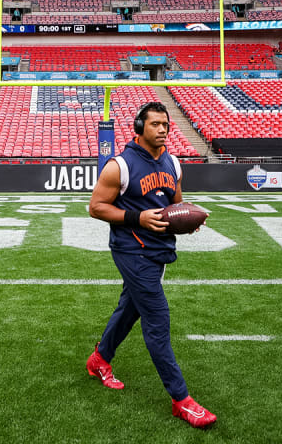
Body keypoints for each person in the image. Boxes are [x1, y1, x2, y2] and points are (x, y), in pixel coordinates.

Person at [84, 102, 216, 429]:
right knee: (157, 319)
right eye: (155, 124)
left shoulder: (173, 162)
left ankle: (99, 360)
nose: (162, 130)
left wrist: (188, 220)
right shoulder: (119, 166)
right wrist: (136, 217)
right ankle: (181, 400)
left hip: (159, 249)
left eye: (165, 125)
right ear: (139, 127)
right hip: (130, 249)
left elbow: (176, 204)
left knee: (130, 309)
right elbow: (96, 207)